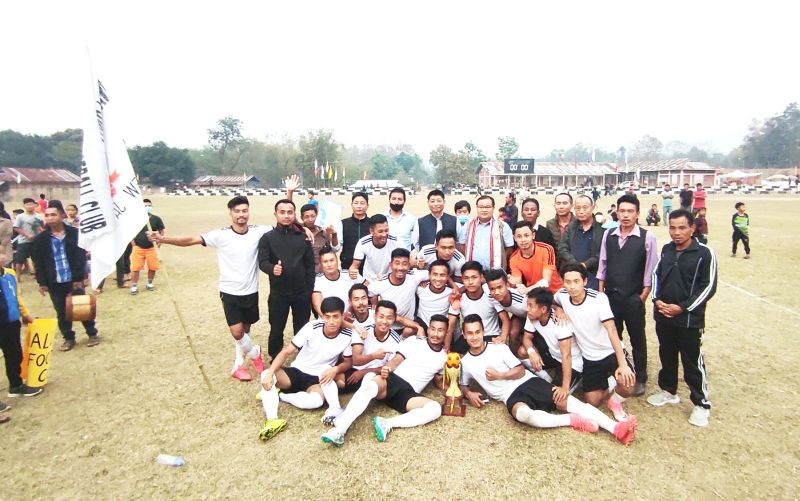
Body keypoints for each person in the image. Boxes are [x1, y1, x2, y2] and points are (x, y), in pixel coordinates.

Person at [459, 314, 637, 445]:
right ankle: (570, 421)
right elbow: (463, 384)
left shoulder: (499, 349)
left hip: (528, 382)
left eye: (477, 332)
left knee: (568, 402)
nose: (474, 337)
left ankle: (616, 429)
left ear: (483, 332)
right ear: (464, 336)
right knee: (523, 415)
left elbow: (520, 371)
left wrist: (500, 375)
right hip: (509, 396)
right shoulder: (465, 362)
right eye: (470, 333)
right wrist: (469, 393)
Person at [150, 196, 273, 380]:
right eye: (237, 211)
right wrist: (163, 239)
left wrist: (290, 195)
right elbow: (191, 239)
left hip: (251, 290)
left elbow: (282, 221)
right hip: (229, 291)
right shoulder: (221, 235)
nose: (241, 215)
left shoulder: (258, 231)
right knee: (237, 332)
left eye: (244, 211)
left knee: (245, 332)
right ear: (230, 213)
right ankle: (255, 354)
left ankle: (238, 366)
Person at [319, 313, 447, 447]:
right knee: (370, 385)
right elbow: (396, 361)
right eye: (433, 329)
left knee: (435, 408)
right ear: (428, 329)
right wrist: (387, 369)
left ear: (446, 332)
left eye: (440, 330)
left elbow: (439, 381)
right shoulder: (414, 341)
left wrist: (453, 393)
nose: (435, 334)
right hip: (393, 381)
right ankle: (339, 430)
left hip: (408, 393)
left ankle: (387, 423)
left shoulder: (444, 358)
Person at [648, 209, 717, 427]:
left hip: (688, 320)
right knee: (666, 353)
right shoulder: (667, 249)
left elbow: (708, 287)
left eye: (682, 228)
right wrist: (657, 300)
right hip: (664, 315)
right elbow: (656, 275)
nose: (676, 233)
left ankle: (701, 403)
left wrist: (683, 308)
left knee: (692, 360)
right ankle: (668, 391)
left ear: (692, 228)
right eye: (672, 228)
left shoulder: (705, 253)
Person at [258, 297, 354, 441]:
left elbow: (348, 362)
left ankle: (280, 396)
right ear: (322, 316)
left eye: (336, 316)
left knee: (315, 402)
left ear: (342, 316)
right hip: (297, 371)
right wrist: (270, 373)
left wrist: (335, 369)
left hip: (318, 379)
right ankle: (272, 420)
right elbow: (286, 352)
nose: (332, 321)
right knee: (266, 373)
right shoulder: (312, 327)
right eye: (327, 317)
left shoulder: (348, 336)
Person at [555, 263, 635, 420]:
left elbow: (612, 331)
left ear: (585, 281)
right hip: (590, 356)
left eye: (576, 281)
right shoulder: (561, 295)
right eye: (568, 282)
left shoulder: (599, 298)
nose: (572, 286)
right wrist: (558, 309)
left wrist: (622, 365)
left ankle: (615, 401)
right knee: (593, 400)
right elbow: (552, 300)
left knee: (628, 385)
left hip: (609, 351)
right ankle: (611, 381)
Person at [596, 195, 658, 396]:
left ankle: (640, 377)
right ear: (617, 212)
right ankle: (618, 372)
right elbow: (603, 264)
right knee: (613, 336)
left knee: (637, 338)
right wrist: (601, 291)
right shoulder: (609, 235)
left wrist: (643, 295)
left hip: (633, 297)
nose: (625, 215)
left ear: (638, 213)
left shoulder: (647, 237)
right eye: (622, 211)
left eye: (630, 211)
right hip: (611, 296)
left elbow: (650, 269)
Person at [31, 206, 99, 351]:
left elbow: (80, 257)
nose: (50, 218)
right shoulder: (40, 240)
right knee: (62, 312)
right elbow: (39, 263)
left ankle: (92, 334)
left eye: (53, 214)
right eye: (47, 215)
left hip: (74, 280)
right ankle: (68, 338)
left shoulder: (75, 234)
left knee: (82, 308)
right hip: (54, 281)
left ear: (62, 215)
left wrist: (80, 278)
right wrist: (42, 283)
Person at [259, 199, 315, 360]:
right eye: (282, 212)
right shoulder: (267, 238)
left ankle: (304, 358)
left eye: (290, 212)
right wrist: (272, 269)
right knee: (276, 329)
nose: (286, 215)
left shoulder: (303, 237)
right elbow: (262, 261)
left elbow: (310, 265)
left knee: (302, 328)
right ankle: (275, 358)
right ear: (275, 214)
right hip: (278, 293)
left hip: (301, 293)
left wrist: (309, 290)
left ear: (294, 214)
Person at [522, 287, 583, 390]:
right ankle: (545, 375)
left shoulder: (560, 324)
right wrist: (532, 352)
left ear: (543, 309)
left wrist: (564, 387)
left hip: (572, 362)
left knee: (555, 396)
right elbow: (526, 338)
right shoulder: (532, 316)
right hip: (553, 355)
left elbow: (567, 356)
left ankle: (580, 378)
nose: (527, 309)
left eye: (531, 306)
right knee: (523, 351)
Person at [339, 300, 403, 396]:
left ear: (394, 319)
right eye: (381, 317)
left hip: (374, 373)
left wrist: (364, 372)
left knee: (370, 379)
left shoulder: (397, 341)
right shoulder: (363, 331)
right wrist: (374, 356)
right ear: (375, 316)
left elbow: (388, 368)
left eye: (389, 318)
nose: (384, 321)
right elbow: (356, 360)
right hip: (354, 369)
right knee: (336, 382)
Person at [447, 261, 509, 353]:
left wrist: (502, 338)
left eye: (474, 277)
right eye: (466, 278)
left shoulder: (491, 294)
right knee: (453, 357)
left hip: (490, 336)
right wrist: (446, 346)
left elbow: (505, 319)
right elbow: (451, 324)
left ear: (481, 278)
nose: (470, 282)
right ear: (462, 279)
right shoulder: (459, 297)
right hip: (469, 338)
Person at [0, 253, 39, 397]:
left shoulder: (9, 274)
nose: (1, 257)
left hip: (11, 322)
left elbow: (17, 297)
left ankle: (16, 385)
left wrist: (24, 314)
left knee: (15, 355)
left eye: (1, 253)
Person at [367, 248, 429, 337]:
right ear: (390, 265)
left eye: (404, 264)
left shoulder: (414, 276)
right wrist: (375, 303)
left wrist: (427, 282)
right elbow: (369, 293)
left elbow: (435, 274)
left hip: (407, 325)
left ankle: (401, 342)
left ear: (409, 266)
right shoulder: (381, 283)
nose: (400, 268)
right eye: (397, 263)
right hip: (387, 324)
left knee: (410, 330)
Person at [558, 195, 604, 290]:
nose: (581, 211)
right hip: (573, 274)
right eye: (578, 208)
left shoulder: (601, 228)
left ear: (593, 207)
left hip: (593, 275)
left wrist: (586, 264)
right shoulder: (571, 227)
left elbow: (603, 252)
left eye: (585, 207)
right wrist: (574, 264)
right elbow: (562, 247)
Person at [459, 195, 514, 270]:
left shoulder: (502, 226)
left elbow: (509, 248)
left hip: (495, 273)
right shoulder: (468, 225)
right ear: (477, 208)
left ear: (493, 208)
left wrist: (501, 261)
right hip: (472, 272)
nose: (484, 210)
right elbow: (462, 245)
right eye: (481, 207)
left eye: (487, 207)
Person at [507, 221, 561, 294]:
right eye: (519, 236)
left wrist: (527, 289)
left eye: (526, 235)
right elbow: (518, 283)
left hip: (556, 292)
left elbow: (546, 281)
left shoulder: (546, 249)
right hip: (534, 295)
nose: (523, 240)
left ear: (533, 235)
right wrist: (513, 284)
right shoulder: (514, 258)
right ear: (514, 238)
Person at [485, 269, 528, 356]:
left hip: (533, 316)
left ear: (507, 285)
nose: (496, 292)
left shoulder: (522, 299)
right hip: (519, 315)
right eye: (492, 289)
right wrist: (503, 338)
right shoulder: (492, 297)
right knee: (513, 333)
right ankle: (515, 358)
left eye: (500, 287)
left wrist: (558, 309)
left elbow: (542, 302)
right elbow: (505, 319)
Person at [312, 246, 364, 317]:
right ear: (321, 264)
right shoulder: (317, 280)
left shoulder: (349, 274)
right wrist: (329, 319)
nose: (329, 265)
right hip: (328, 321)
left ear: (337, 261)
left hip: (350, 318)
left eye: (331, 260)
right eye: (325, 262)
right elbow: (317, 305)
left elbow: (368, 289)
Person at [349, 214, 399, 283]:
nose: (384, 234)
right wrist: (364, 282)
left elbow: (406, 260)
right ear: (371, 231)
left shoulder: (395, 241)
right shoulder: (363, 243)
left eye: (386, 230)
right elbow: (354, 267)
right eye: (380, 231)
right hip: (369, 281)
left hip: (389, 281)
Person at [129, 199, 165, 295]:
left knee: (152, 267)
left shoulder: (156, 219)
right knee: (135, 268)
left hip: (152, 248)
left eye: (149, 205)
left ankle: (149, 283)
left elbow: (161, 231)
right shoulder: (136, 219)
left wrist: (159, 243)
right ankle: (134, 286)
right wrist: (133, 244)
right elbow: (130, 232)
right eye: (145, 206)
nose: (147, 207)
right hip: (138, 247)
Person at [299, 203, 340, 273]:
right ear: (301, 218)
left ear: (317, 216)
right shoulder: (297, 231)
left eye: (313, 216)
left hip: (320, 273)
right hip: (302, 272)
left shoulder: (324, 232)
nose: (310, 219)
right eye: (306, 217)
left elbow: (335, 249)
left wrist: (334, 234)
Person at [412, 260, 452, 331]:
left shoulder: (451, 292)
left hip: (440, 327)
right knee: (408, 331)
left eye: (442, 275)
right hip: (422, 324)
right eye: (435, 274)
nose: (438, 279)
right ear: (429, 275)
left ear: (448, 276)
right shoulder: (421, 289)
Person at [13, 198, 44, 281]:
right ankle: (17, 276)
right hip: (24, 241)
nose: (30, 206)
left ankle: (37, 275)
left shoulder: (39, 216)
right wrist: (27, 235)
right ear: (24, 206)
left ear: (35, 205)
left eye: (31, 204)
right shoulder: (20, 217)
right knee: (20, 260)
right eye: (27, 204)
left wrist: (41, 232)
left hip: (36, 242)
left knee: (36, 260)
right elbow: (16, 228)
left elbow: (42, 227)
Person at [340, 192, 370, 274]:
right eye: (356, 203)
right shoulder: (343, 223)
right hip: (347, 267)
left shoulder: (372, 224)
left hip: (368, 268)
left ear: (367, 205)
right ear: (352, 205)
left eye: (362, 203)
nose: (359, 206)